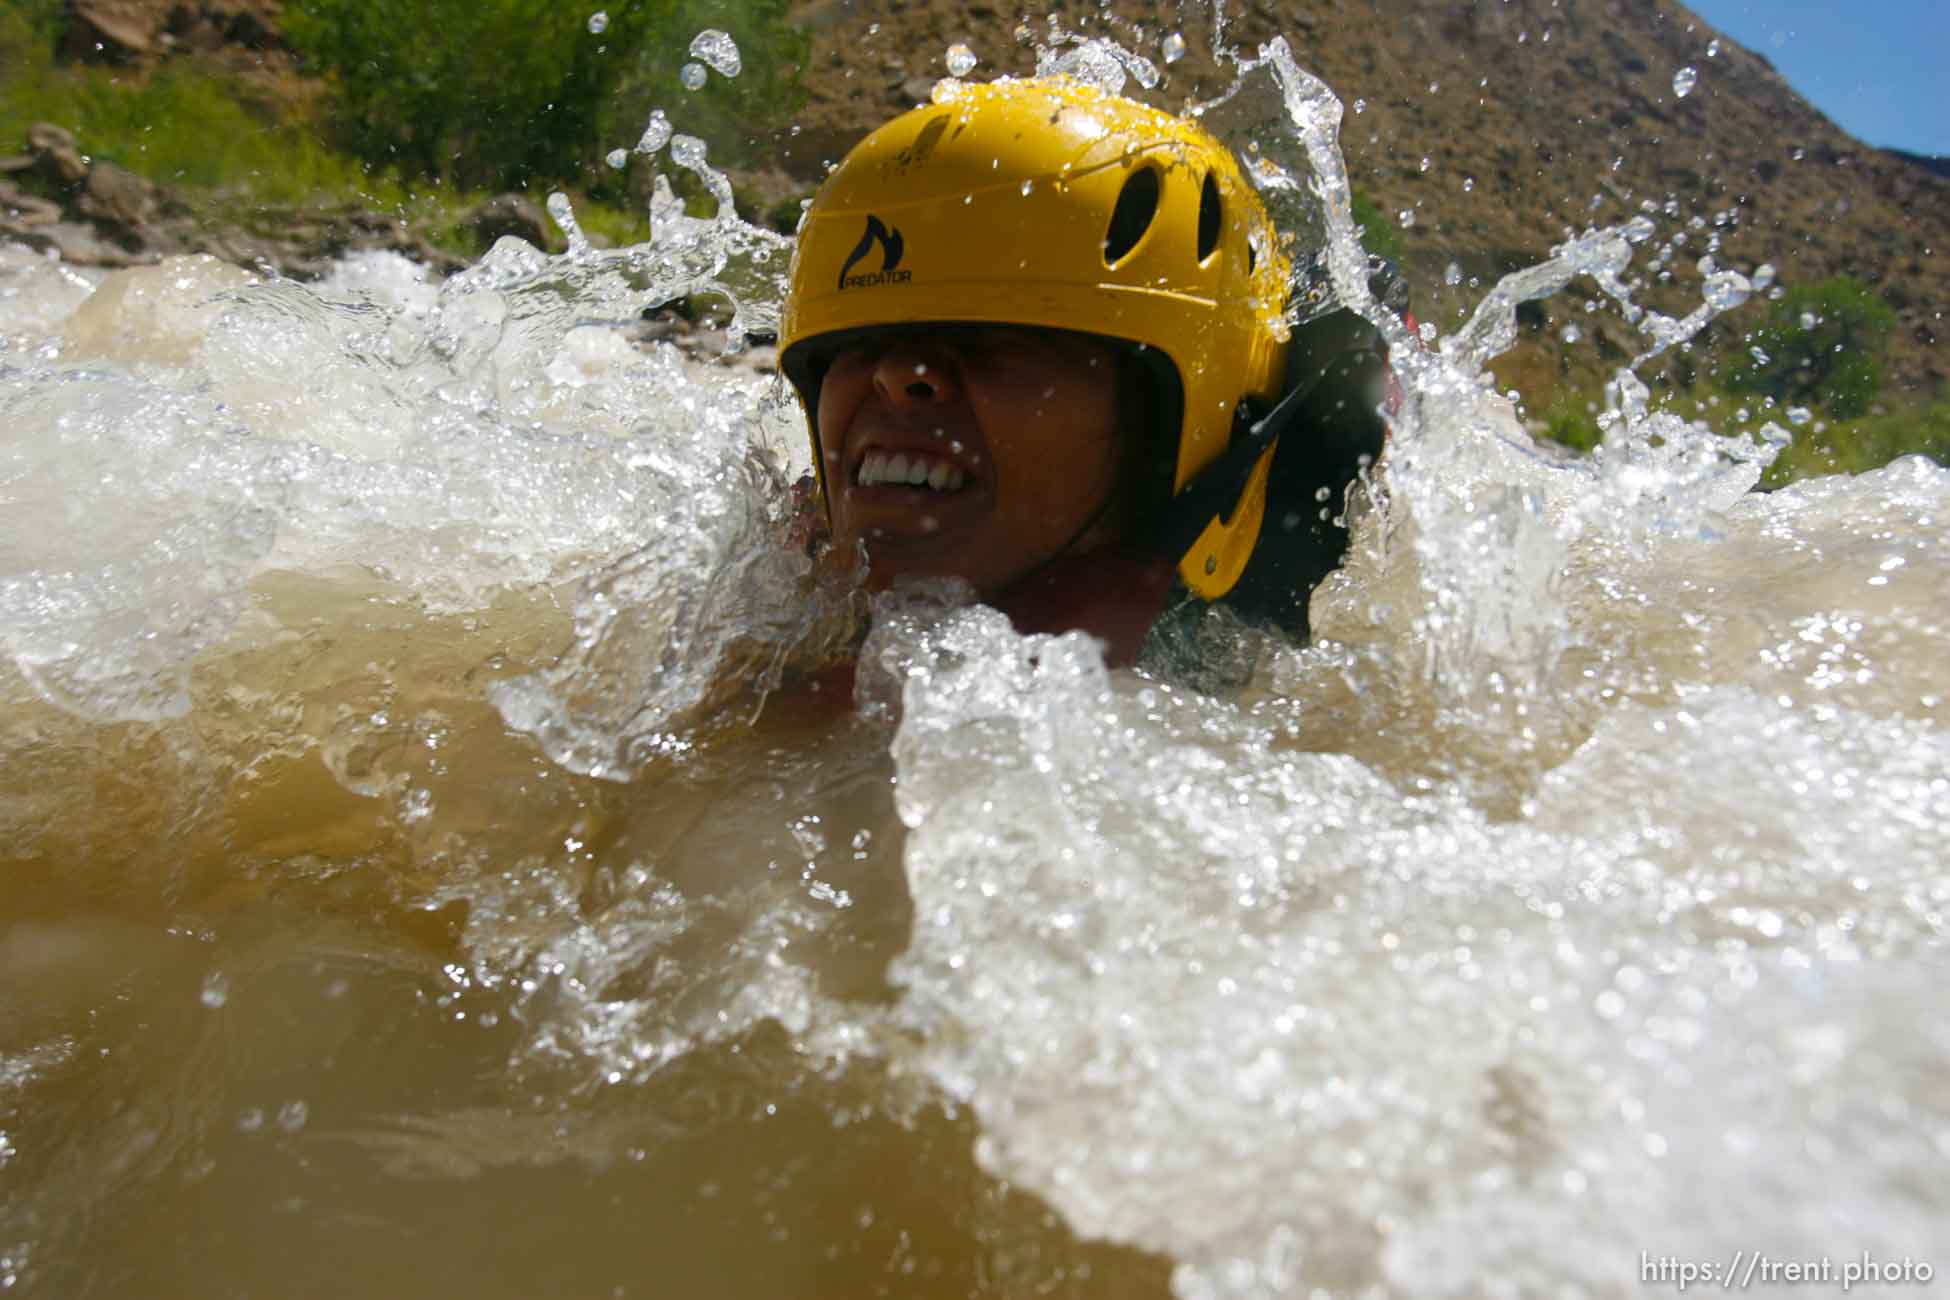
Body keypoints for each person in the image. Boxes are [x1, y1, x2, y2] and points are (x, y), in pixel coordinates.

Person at [778, 76, 1398, 674]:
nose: (896, 373)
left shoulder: (1304, 726)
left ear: (1175, 431)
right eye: (859, 342)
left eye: (996, 334)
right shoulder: (755, 614)